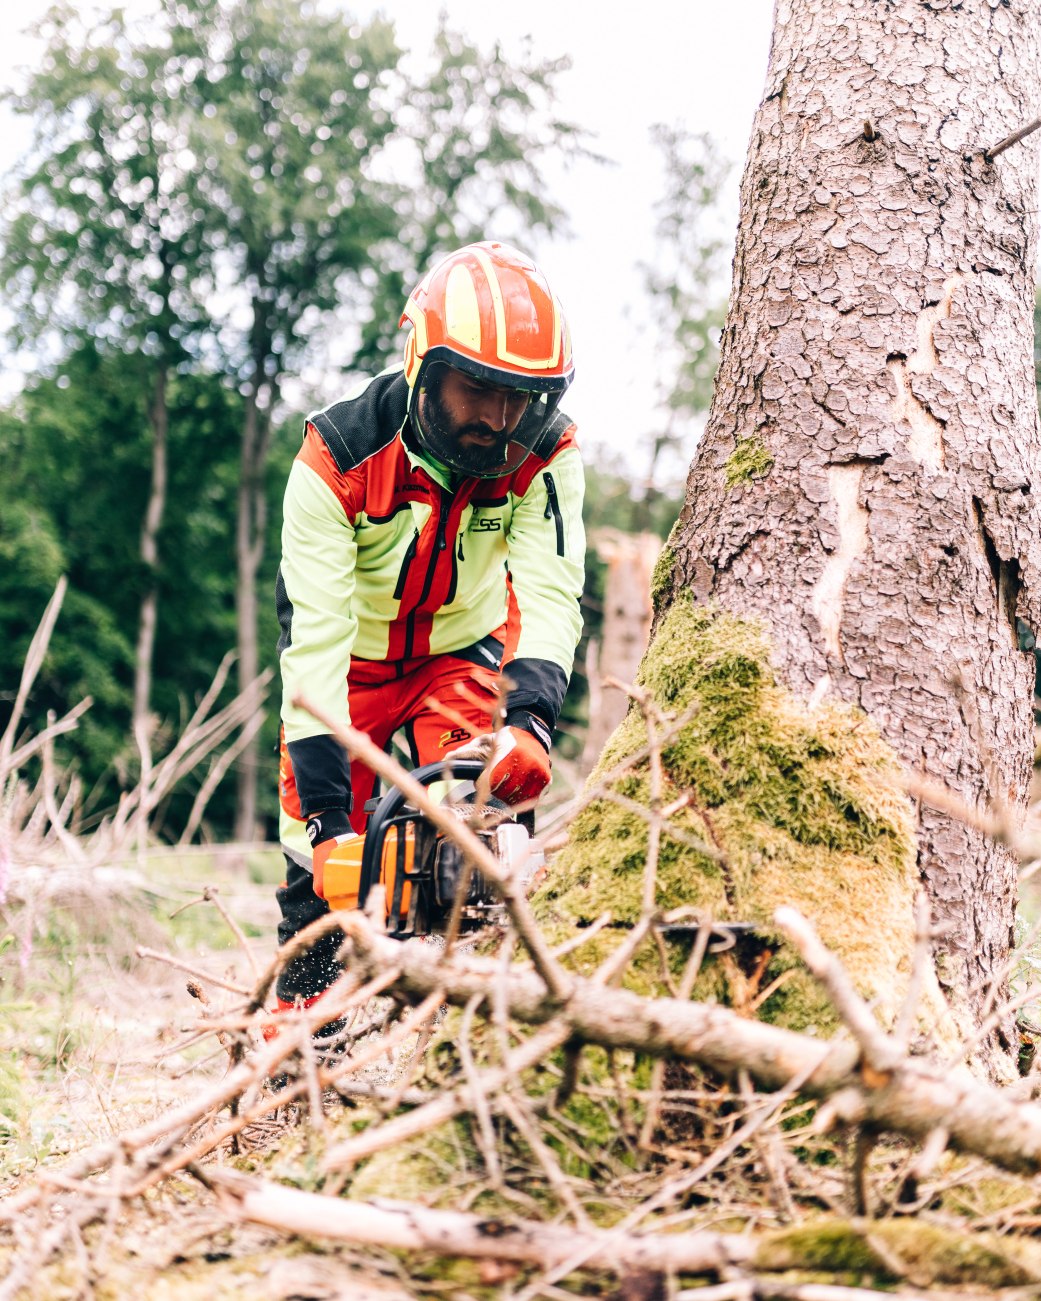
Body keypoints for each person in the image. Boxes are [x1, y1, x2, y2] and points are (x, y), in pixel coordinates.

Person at [272, 240, 585, 1016]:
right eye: (476, 387)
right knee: (320, 872)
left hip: (461, 657)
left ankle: (482, 1023)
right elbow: (311, 640)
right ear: (423, 363)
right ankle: (299, 1037)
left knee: (482, 834)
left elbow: (549, 592)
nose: (497, 417)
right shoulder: (336, 459)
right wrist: (327, 821)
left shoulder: (543, 452)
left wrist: (533, 724)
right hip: (345, 670)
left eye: (519, 395)